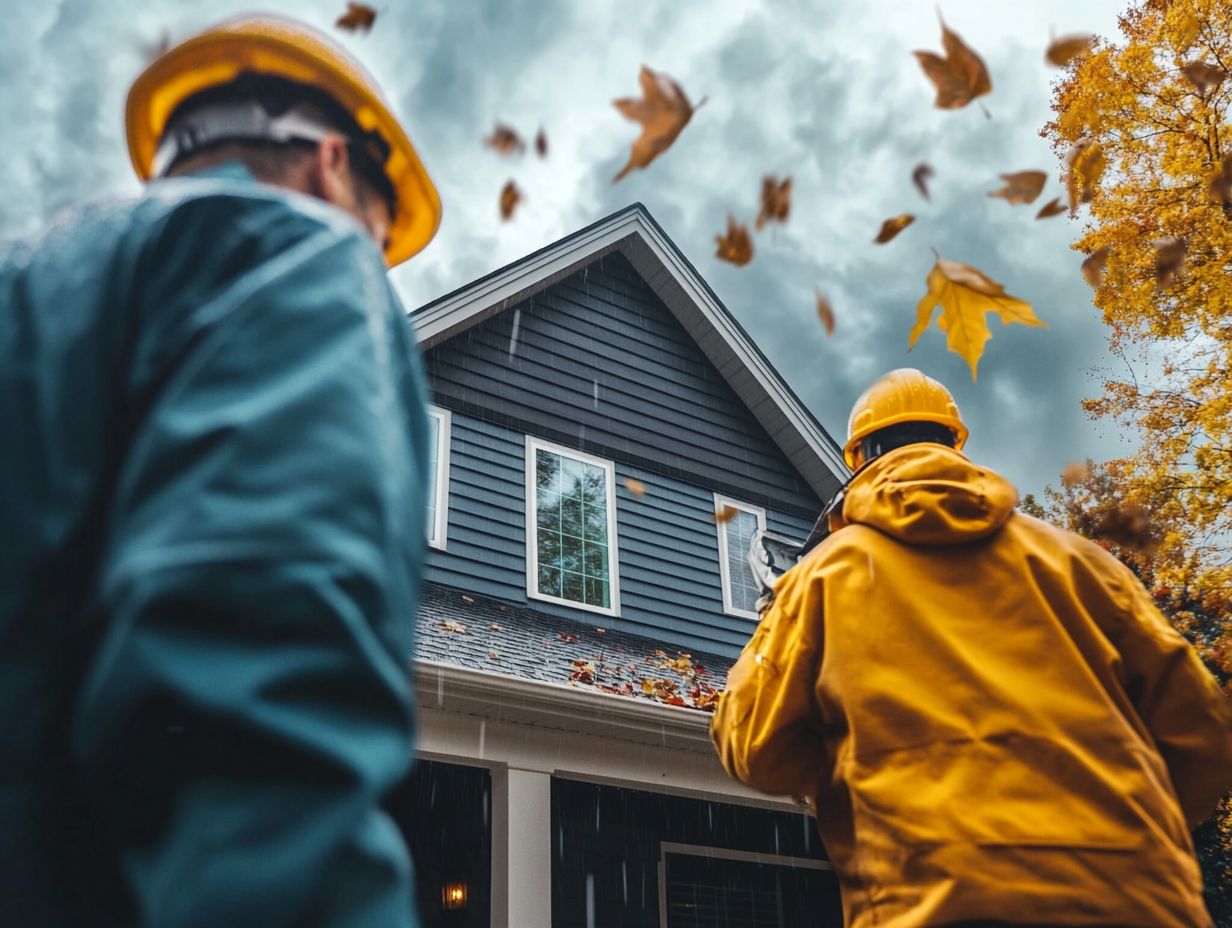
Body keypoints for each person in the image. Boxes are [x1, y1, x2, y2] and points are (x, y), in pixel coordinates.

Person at [0, 15, 441, 927]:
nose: (372, 260)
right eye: (378, 229)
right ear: (330, 162)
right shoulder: (300, 255)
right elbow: (256, 660)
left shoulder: (26, 286)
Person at [711, 367, 1232, 928]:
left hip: (940, 906)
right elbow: (1204, 733)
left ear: (858, 457)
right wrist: (1118, 838)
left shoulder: (824, 578)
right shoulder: (1081, 564)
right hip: (1141, 905)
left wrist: (841, 762)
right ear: (956, 443)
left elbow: (753, 748)